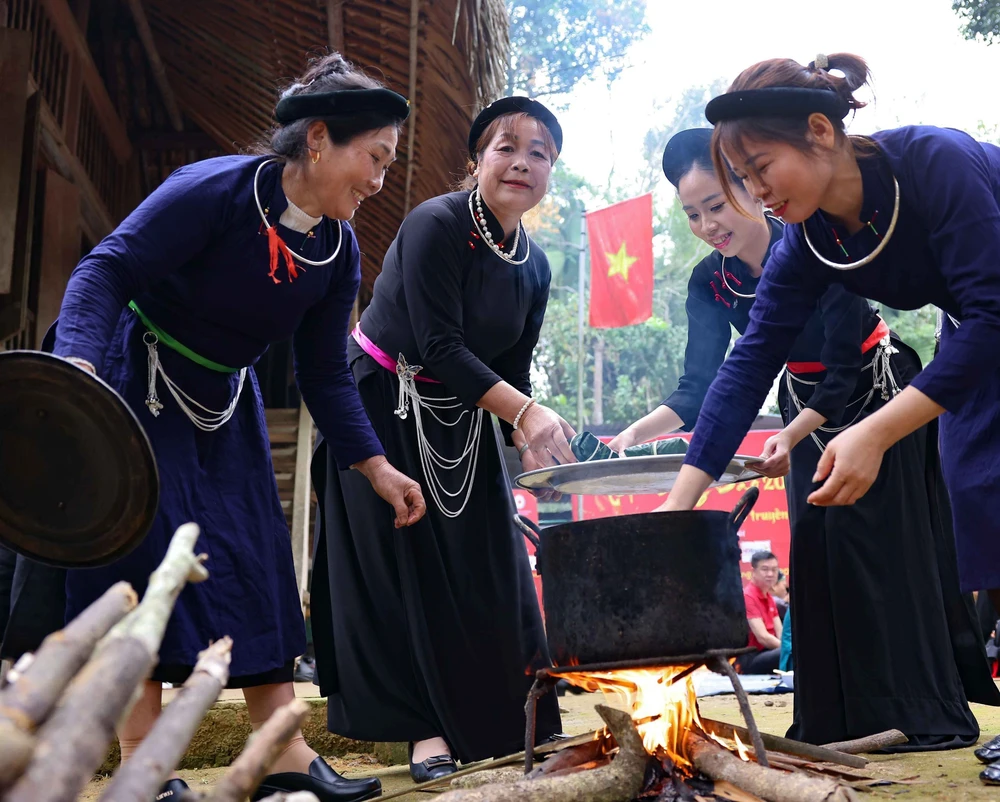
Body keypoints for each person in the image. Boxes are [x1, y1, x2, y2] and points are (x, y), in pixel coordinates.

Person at [47, 53, 423, 802]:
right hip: (138, 380)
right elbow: (104, 271)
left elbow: (323, 373)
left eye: (388, 165)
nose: (379, 181)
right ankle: (144, 768)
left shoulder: (337, 250)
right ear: (318, 139)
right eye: (373, 159)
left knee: (256, 565)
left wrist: (376, 466)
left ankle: (284, 763)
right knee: (144, 562)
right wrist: (79, 372)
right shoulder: (215, 190)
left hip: (226, 400)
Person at [663, 53, 1000, 760]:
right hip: (975, 326)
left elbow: (995, 309)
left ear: (820, 130)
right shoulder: (810, 241)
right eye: (744, 181)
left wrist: (875, 431)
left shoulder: (933, 164)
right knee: (981, 491)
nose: (758, 192)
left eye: (762, 167)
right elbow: (748, 363)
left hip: (990, 315)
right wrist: (676, 509)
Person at [310, 96, 571, 783]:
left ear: (551, 172)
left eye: (539, 152)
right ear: (477, 161)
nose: (521, 162)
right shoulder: (436, 223)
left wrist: (529, 438)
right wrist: (527, 412)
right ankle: (425, 735)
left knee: (495, 567)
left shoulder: (535, 266)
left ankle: (515, 724)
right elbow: (438, 344)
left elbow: (511, 371)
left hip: (464, 419)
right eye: (506, 147)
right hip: (379, 403)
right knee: (402, 571)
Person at [740, 551, 783, 674]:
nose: (770, 574)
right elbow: (763, 637)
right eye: (765, 569)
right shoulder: (748, 596)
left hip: (768, 652)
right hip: (750, 658)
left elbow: (780, 632)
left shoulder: (769, 597)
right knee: (791, 654)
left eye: (774, 570)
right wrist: (788, 650)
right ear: (753, 571)